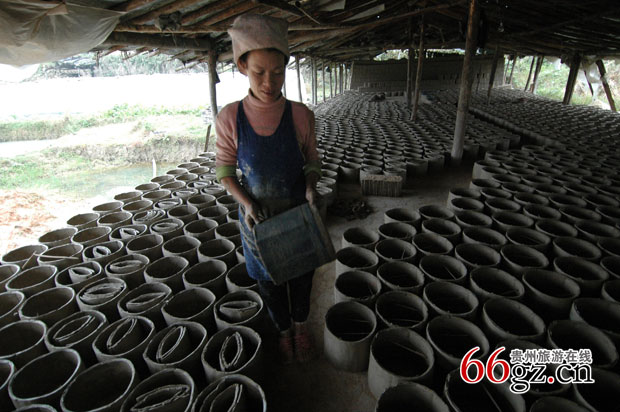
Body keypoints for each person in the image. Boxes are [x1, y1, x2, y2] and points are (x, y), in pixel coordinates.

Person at [215, 14, 322, 364]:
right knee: (270, 282)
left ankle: (301, 326)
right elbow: (225, 171)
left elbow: (312, 161)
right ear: (243, 66)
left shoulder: (301, 115)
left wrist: (311, 187)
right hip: (257, 219)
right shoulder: (230, 118)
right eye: (259, 72)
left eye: (277, 72)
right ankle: (283, 331)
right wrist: (247, 203)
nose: (269, 82)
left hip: (297, 213)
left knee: (302, 278)